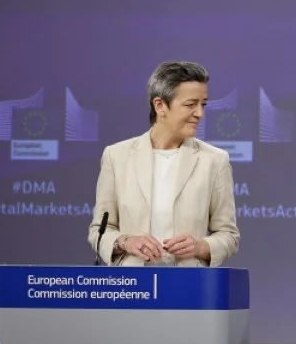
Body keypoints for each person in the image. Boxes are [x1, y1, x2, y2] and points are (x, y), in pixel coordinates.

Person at [87, 61, 240, 267]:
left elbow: (228, 235)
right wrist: (125, 242)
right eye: (190, 104)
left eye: (203, 104)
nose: (200, 113)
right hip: (132, 281)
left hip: (188, 281)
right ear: (160, 105)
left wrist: (201, 246)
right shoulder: (116, 156)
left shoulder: (215, 160)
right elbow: (99, 231)